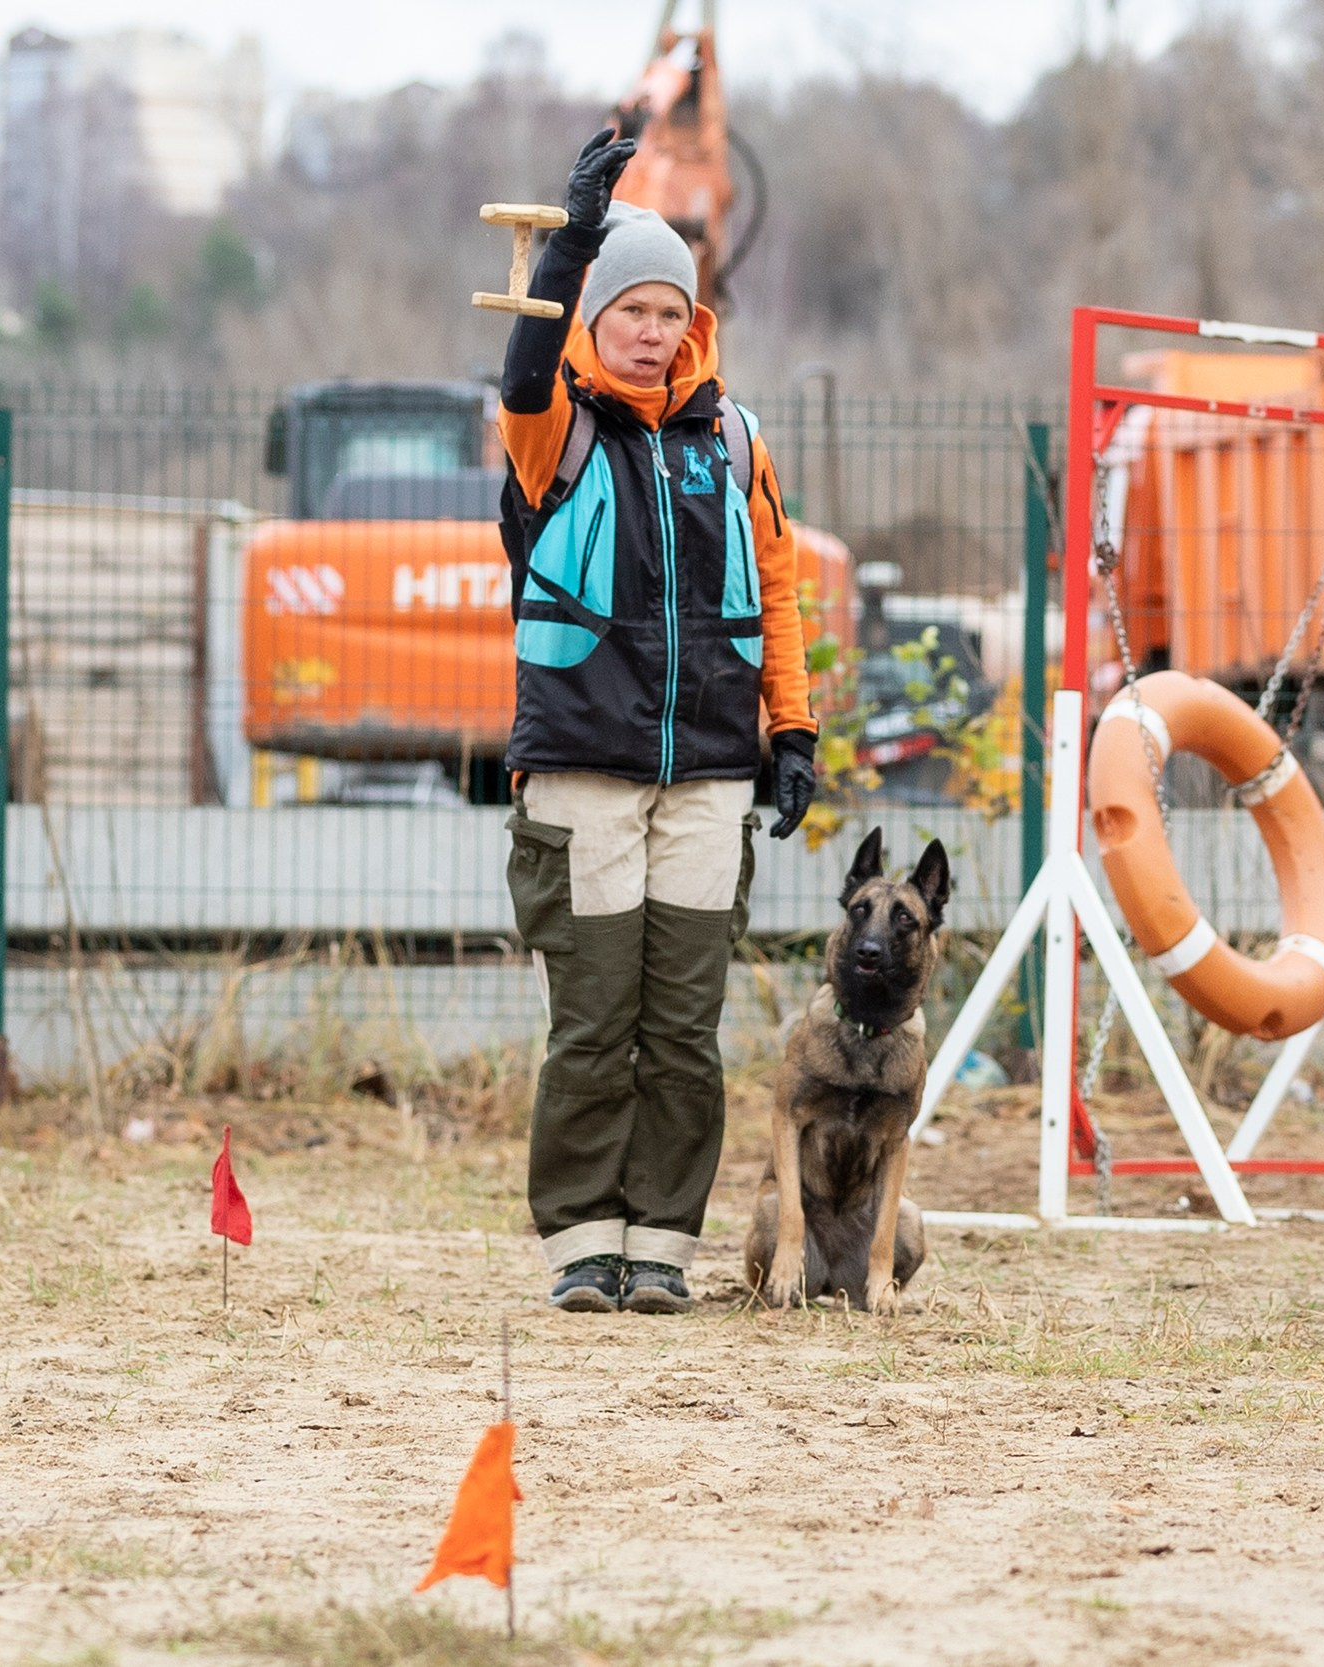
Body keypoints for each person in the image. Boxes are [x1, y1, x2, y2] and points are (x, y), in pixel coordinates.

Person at [496, 130, 817, 1315]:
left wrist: (793, 732)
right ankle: (583, 1244)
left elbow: (775, 590)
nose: (650, 328)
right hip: (581, 779)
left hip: (706, 783)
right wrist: (572, 241)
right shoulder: (554, 431)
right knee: (593, 1027)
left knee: (681, 1032)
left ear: (694, 322)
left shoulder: (733, 442)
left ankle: (660, 1249)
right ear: (593, 315)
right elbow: (521, 374)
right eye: (627, 306)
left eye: (667, 310)